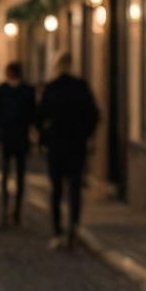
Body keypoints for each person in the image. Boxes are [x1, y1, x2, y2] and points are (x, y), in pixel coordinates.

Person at [37, 51, 99, 249]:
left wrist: (44, 139)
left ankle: (57, 230)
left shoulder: (52, 88)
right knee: (74, 188)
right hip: (76, 145)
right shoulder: (80, 87)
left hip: (57, 145)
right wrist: (85, 135)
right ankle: (73, 227)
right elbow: (94, 114)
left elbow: (40, 116)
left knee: (56, 189)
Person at [0, 60, 35, 227]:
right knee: (11, 176)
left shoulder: (5, 91)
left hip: (14, 138)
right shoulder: (22, 91)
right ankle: (9, 210)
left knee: (14, 176)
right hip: (14, 138)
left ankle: (13, 211)